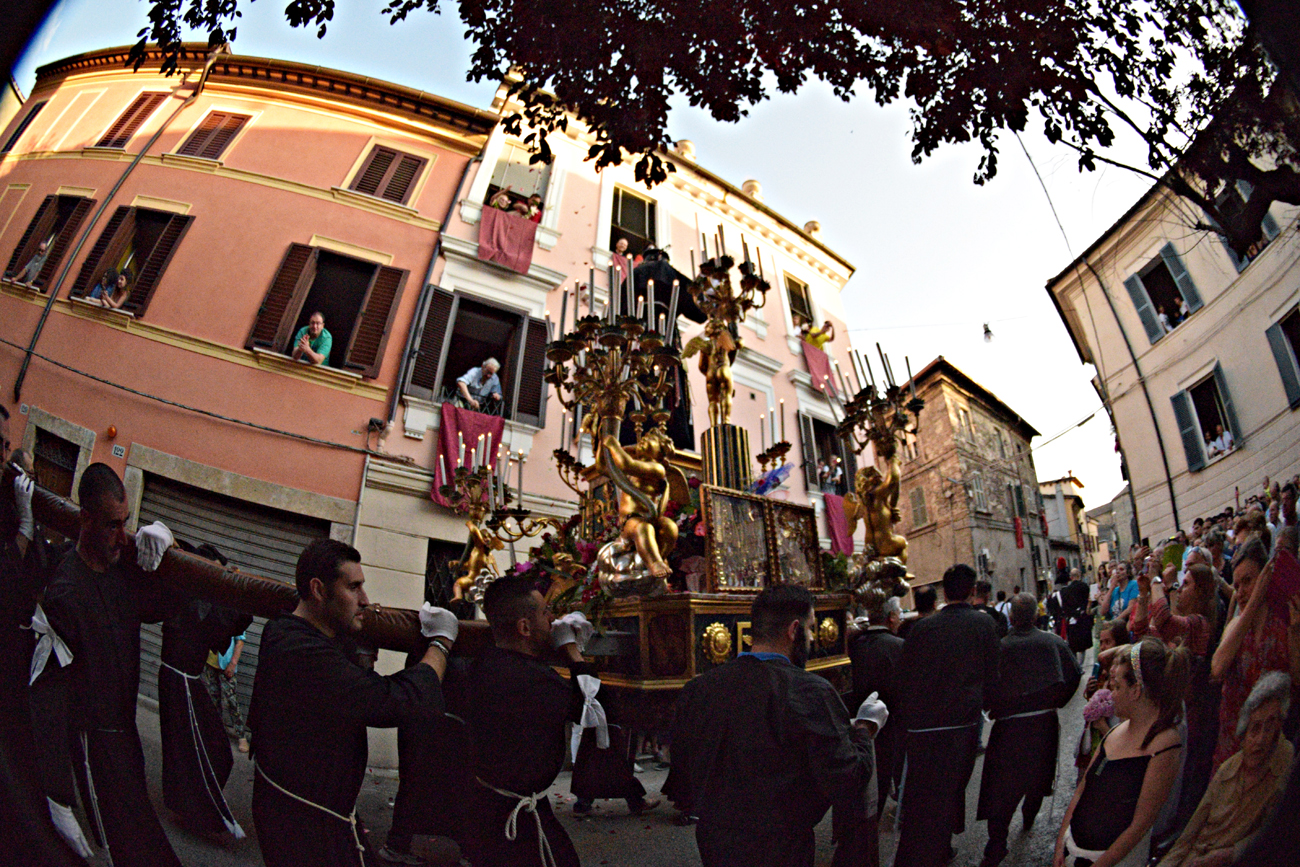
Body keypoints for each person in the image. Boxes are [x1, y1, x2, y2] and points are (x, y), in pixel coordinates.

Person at [248, 539, 457, 867]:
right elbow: (394, 701)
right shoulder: (300, 650)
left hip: (316, 814)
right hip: (303, 824)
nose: (365, 600)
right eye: (353, 587)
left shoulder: (292, 631)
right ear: (318, 590)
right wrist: (441, 643)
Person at [29, 463, 185, 866]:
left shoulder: (123, 571)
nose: (122, 537)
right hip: (91, 752)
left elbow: (170, 603)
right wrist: (57, 793)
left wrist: (170, 543)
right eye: (112, 526)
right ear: (85, 519)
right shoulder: (65, 592)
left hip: (126, 741)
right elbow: (47, 697)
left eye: (126, 523)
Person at [671, 584, 874, 867]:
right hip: (781, 844)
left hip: (715, 840)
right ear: (794, 630)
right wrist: (865, 728)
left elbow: (681, 772)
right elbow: (847, 776)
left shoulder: (698, 689)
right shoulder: (810, 691)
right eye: (810, 628)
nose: (812, 638)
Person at [450, 576, 598, 867]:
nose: (552, 619)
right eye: (545, 613)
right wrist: (572, 650)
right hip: (520, 819)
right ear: (525, 627)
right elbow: (593, 708)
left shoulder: (478, 666)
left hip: (484, 808)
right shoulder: (540, 682)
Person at [894, 564, 1000, 867]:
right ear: (972, 591)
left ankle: (933, 847)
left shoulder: (922, 628)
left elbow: (905, 676)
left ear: (945, 592)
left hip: (924, 726)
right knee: (951, 788)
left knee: (927, 791)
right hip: (961, 724)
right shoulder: (983, 624)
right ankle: (935, 847)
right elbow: (993, 673)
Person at [1055, 638, 1189, 867]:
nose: (1111, 693)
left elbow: (1140, 825)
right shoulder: (1115, 731)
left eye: (1116, 687)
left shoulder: (1164, 746)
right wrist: (1061, 844)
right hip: (1074, 850)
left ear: (1136, 690)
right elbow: (1082, 791)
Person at [978, 593, 1083, 867]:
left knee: (1001, 788)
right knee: (1037, 777)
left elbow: (985, 687)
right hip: (1042, 725)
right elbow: (1074, 675)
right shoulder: (1053, 642)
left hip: (1008, 728)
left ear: (1012, 617)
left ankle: (996, 843)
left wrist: (994, 707)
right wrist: (1056, 701)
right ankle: (1028, 815)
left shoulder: (1000, 648)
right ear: (1036, 616)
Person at [156, 542, 252, 838]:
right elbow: (222, 622)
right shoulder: (189, 598)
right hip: (180, 681)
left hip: (186, 680)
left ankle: (191, 808)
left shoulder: (199, 599)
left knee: (207, 749)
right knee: (205, 749)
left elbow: (225, 629)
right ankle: (194, 811)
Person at [1156, 672, 1292, 867]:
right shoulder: (1227, 770)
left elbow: (1272, 834)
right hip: (1195, 859)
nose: (1261, 739)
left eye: (1270, 727)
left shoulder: (1283, 766)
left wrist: (1230, 854)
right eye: (1255, 728)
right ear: (1243, 734)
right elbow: (1187, 837)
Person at [1209, 537, 1296, 772]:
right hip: (1232, 744)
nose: (1241, 592)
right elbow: (1217, 668)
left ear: (1265, 577)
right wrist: (1253, 601)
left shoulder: (1284, 623)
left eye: (1248, 581)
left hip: (1270, 747)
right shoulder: (1236, 626)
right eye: (1237, 586)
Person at [848, 590, 904, 813]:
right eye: (898, 615)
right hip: (889, 727)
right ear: (891, 617)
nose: (900, 619)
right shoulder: (899, 646)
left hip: (854, 722)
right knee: (878, 784)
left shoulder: (854, 644)